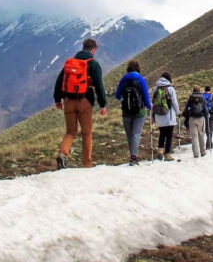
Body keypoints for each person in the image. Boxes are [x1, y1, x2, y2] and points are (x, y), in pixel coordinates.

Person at [53, 38, 107, 169]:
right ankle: (87, 164)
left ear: (83, 47)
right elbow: (99, 86)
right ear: (93, 50)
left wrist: (57, 100)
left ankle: (63, 154)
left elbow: (59, 81)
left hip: (68, 101)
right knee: (87, 133)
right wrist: (103, 104)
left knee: (70, 132)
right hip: (85, 101)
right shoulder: (93, 64)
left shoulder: (70, 63)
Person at [114, 60, 152, 166]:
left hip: (126, 111)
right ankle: (134, 158)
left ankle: (132, 156)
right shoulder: (140, 79)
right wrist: (149, 106)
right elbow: (145, 96)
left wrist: (123, 99)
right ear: (138, 68)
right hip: (140, 111)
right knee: (136, 133)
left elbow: (117, 95)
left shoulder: (124, 79)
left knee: (129, 134)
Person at [151, 72, 181, 161]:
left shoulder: (155, 88)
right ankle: (167, 155)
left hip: (159, 116)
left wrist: (153, 116)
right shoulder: (170, 89)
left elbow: (153, 103)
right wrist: (178, 112)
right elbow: (174, 102)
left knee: (162, 134)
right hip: (169, 117)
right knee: (169, 136)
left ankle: (160, 152)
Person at [182, 85, 208, 158]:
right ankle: (202, 152)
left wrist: (184, 115)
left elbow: (186, 109)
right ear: (199, 90)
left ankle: (196, 154)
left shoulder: (190, 98)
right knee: (201, 135)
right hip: (201, 118)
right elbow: (205, 109)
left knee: (194, 136)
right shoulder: (202, 98)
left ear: (193, 90)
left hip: (192, 118)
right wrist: (206, 115)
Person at [202, 85, 213, 150]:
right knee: (211, 129)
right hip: (212, 114)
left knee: (207, 129)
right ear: (210, 90)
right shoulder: (212, 96)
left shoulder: (202, 96)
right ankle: (209, 144)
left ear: (205, 90)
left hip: (205, 114)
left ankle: (209, 143)